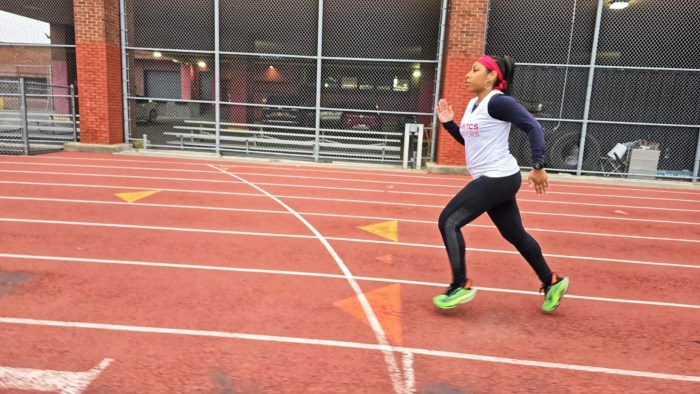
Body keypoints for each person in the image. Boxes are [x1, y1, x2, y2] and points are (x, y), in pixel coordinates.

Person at [433, 55, 569, 313]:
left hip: (498, 177)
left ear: (491, 76)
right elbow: (470, 142)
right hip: (496, 178)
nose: (467, 75)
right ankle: (552, 282)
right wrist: (449, 124)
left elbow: (533, 126)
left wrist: (538, 165)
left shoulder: (499, 102)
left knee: (448, 221)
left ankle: (459, 285)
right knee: (514, 234)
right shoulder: (475, 103)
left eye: (475, 70)